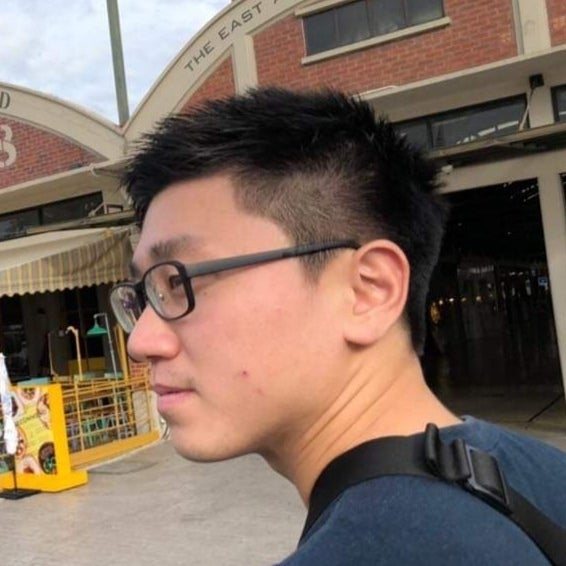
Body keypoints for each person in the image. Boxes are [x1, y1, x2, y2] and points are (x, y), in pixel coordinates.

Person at [109, 88, 566, 564]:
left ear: (368, 291)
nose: (141, 341)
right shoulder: (540, 473)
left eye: (178, 282)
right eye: (144, 294)